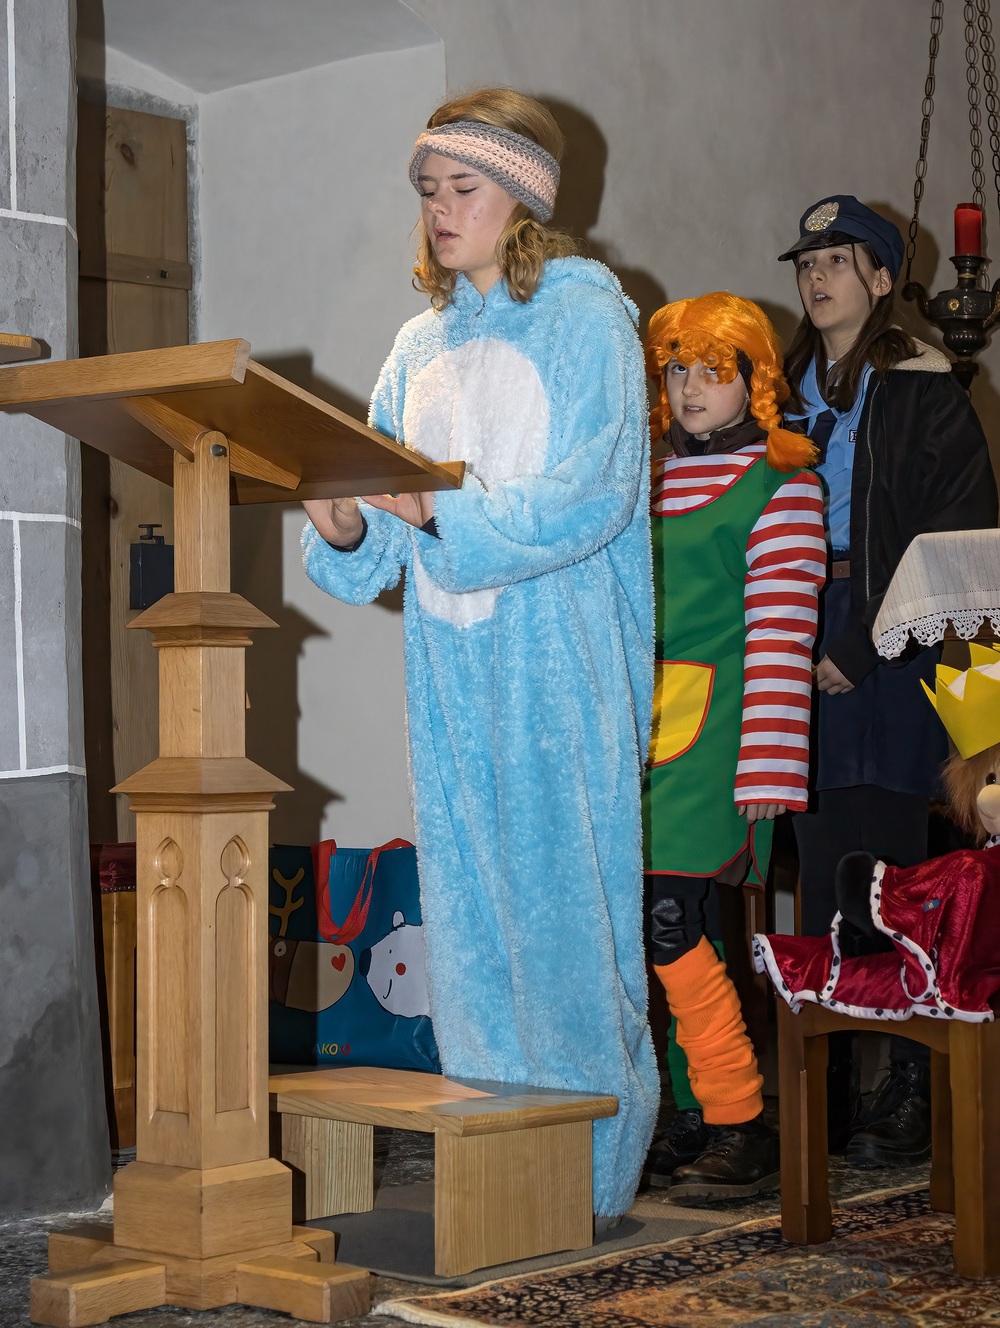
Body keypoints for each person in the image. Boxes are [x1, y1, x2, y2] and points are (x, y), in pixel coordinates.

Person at [300, 88, 659, 1222]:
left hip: (562, 668)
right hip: (450, 674)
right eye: (428, 190)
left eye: (464, 188)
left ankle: (590, 1182)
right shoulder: (418, 345)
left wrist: (437, 509)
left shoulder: (588, 316)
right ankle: (506, 1172)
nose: (440, 209)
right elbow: (378, 536)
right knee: (471, 930)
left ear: (523, 200)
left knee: (568, 930)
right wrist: (345, 524)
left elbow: (592, 494)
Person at [778, 194, 998, 1167]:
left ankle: (912, 1086)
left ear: (879, 278)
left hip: (896, 641)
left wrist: (863, 643)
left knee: (899, 872)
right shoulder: (781, 396)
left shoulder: (925, 390)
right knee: (822, 861)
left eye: (837, 260)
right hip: (796, 625)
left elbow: (956, 534)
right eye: (806, 262)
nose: (816, 277)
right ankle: (823, 1088)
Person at [642, 293, 825, 1201]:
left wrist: (771, 763)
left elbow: (783, 635)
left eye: (713, 371)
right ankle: (690, 1113)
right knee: (663, 929)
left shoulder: (783, 483)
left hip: (721, 736)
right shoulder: (641, 481)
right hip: (638, 737)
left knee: (671, 921)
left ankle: (739, 1120)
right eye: (678, 369)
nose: (690, 389)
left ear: (754, 380)